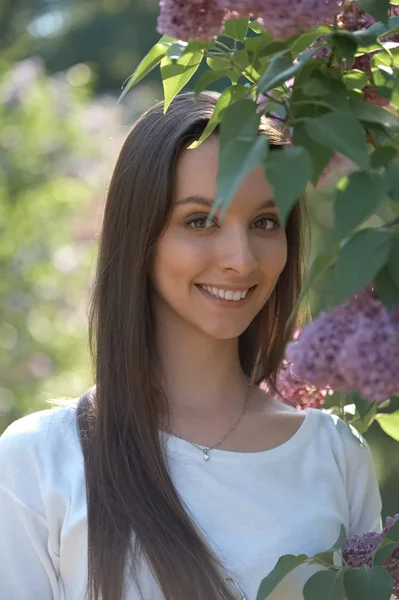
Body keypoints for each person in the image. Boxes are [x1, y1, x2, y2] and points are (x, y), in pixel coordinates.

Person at [0, 91, 383, 600]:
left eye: (265, 222)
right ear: (141, 235)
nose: (240, 259)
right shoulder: (38, 460)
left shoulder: (334, 455)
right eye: (200, 221)